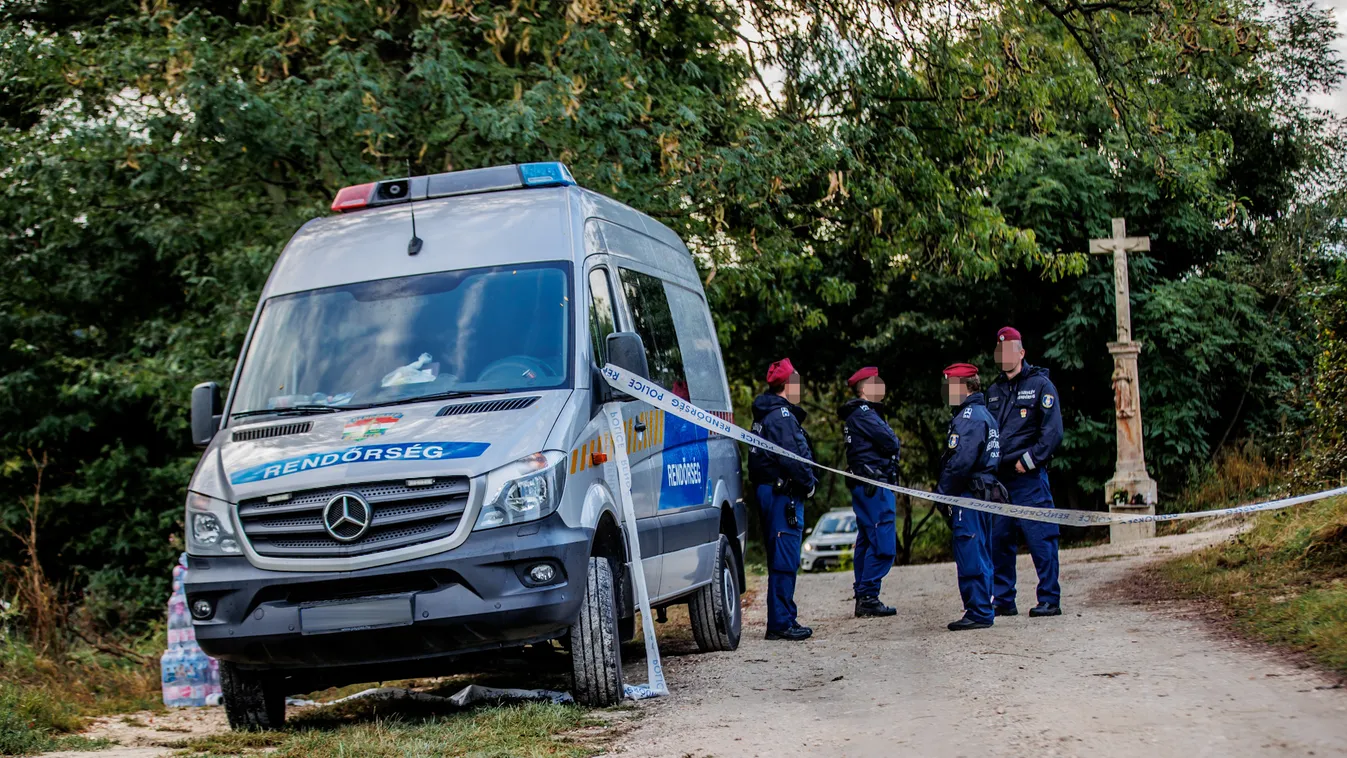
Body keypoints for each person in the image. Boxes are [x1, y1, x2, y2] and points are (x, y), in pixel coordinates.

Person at [986, 327, 1064, 618]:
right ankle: (1003, 598)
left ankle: (1049, 598)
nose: (1004, 355)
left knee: (1040, 537)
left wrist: (1029, 461)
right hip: (999, 481)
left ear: (1021, 353)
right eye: (1000, 350)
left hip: (1028, 477)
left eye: (1009, 350)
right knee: (999, 540)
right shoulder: (992, 392)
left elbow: (1053, 432)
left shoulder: (1041, 385)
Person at [748, 358, 817, 641]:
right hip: (782, 494)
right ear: (787, 385)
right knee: (785, 558)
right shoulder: (781, 416)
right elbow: (795, 457)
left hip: (773, 492)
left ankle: (785, 617)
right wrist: (809, 483)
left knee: (782, 556)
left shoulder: (769, 414)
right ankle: (781, 622)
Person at [936, 363, 1002, 631]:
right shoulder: (983, 414)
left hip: (968, 496)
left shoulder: (969, 418)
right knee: (981, 549)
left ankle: (979, 610)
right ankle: (982, 606)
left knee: (970, 549)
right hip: (980, 494)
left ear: (964, 387)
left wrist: (942, 495)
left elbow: (960, 462)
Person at [837, 367, 900, 618]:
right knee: (883, 542)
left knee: (866, 538)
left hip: (866, 484)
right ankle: (868, 595)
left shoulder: (859, 414)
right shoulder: (864, 413)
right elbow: (891, 441)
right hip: (874, 485)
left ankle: (864, 595)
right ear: (865, 389)